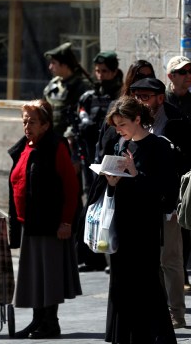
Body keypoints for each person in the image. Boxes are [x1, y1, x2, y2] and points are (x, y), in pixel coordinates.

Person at [102, 96, 178, 343]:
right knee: (121, 282)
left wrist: (135, 174)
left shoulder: (158, 146)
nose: (119, 130)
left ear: (137, 119)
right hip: (122, 224)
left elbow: (165, 191)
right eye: (116, 126)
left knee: (146, 281)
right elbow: (115, 187)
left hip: (144, 226)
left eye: (122, 124)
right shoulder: (120, 145)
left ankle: (153, 336)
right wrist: (112, 184)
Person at [7, 99, 82, 339]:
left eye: (32, 122)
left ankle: (50, 323)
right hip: (29, 222)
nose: (27, 126)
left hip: (51, 224)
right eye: (25, 121)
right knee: (35, 276)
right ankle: (37, 320)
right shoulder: (25, 146)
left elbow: (71, 188)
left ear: (46, 125)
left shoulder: (56, 146)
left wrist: (66, 222)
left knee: (48, 276)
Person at [130, 77, 191, 329]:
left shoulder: (176, 121)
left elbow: (188, 162)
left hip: (168, 199)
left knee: (170, 259)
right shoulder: (132, 121)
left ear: (160, 98)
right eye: (136, 96)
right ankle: (153, 309)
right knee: (147, 259)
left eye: (145, 96)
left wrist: (178, 201)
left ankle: (176, 312)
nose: (140, 101)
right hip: (140, 200)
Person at [75, 51, 124, 273]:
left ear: (114, 71)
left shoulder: (120, 98)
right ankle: (91, 255)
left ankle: (110, 255)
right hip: (91, 160)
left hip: (112, 161)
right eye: (97, 71)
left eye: (105, 71)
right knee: (92, 206)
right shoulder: (88, 97)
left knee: (111, 208)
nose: (100, 75)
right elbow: (77, 125)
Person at [165, 55, 191, 293]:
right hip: (165, 172)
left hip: (188, 173)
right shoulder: (163, 102)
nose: (189, 75)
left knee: (185, 224)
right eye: (183, 72)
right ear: (171, 76)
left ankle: (182, 274)